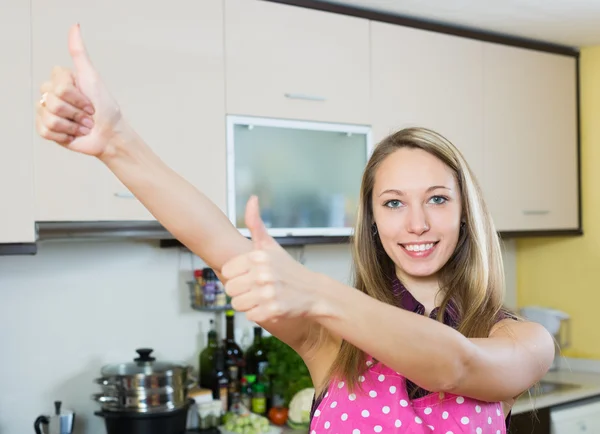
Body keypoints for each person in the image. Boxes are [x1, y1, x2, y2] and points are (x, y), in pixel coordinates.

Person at [36, 25, 555, 433]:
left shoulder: (519, 338)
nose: (416, 222)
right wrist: (115, 142)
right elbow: (218, 241)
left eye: (437, 199)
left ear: (466, 212)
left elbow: (454, 365)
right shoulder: (332, 340)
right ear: (372, 221)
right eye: (393, 202)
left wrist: (312, 290)